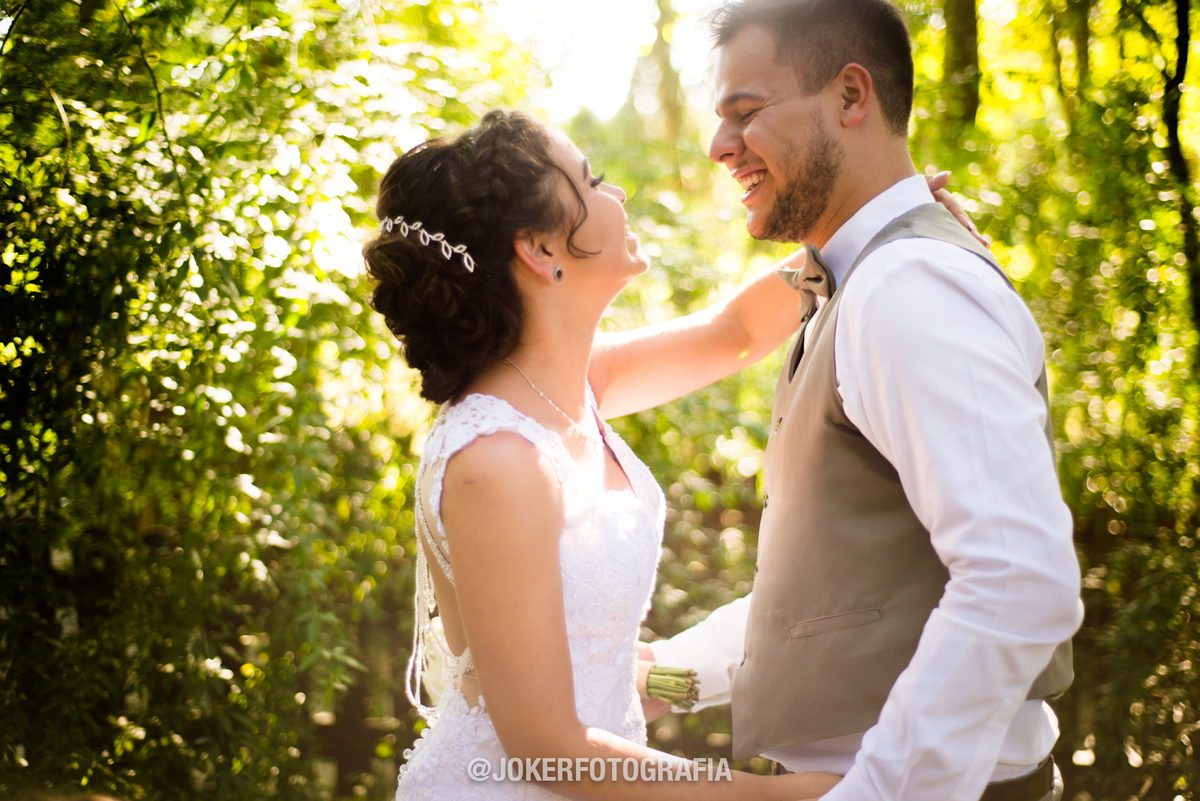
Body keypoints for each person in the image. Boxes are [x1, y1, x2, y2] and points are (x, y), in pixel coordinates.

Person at [364, 110, 968, 800]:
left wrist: (870, 235)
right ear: (538, 248)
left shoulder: (569, 386)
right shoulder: (497, 461)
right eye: (591, 182)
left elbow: (733, 332)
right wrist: (790, 793)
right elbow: (545, 745)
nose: (615, 194)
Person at [642, 2, 1084, 801]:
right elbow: (853, 601)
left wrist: (879, 792)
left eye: (746, 113)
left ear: (852, 97)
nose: (718, 147)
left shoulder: (906, 285)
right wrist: (668, 675)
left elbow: (1020, 577)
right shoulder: (854, 284)